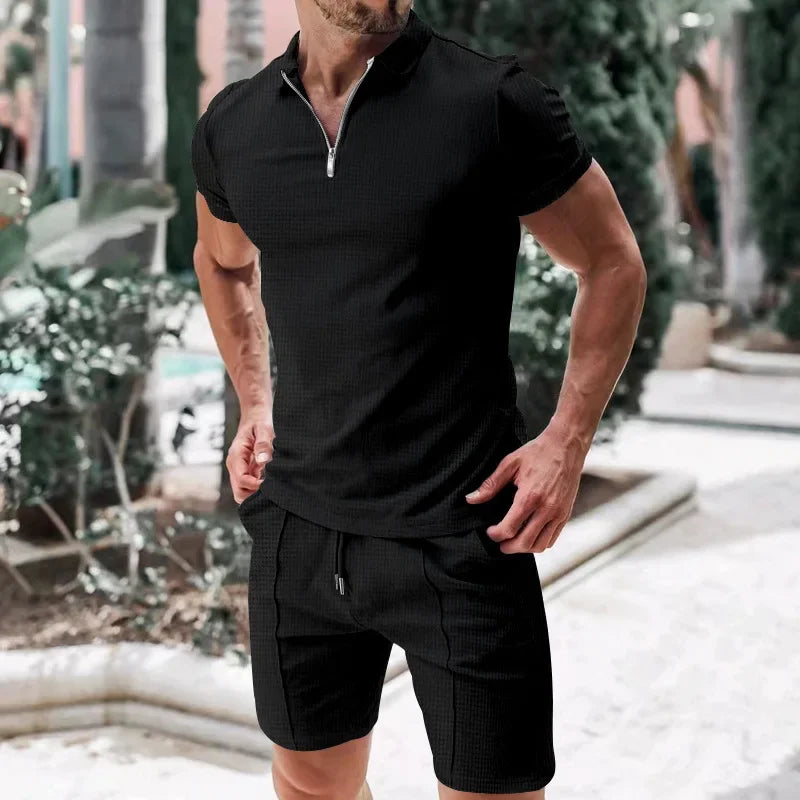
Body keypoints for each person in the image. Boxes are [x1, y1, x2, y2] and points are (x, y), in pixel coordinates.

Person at [191, 2, 646, 798]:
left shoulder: (493, 103)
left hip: (464, 532)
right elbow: (222, 260)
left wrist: (566, 442)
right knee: (310, 786)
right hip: (300, 530)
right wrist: (256, 400)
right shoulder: (235, 127)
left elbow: (612, 262)